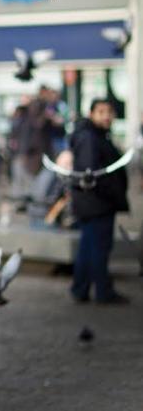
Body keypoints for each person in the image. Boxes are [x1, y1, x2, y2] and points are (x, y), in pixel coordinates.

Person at [69, 99, 130, 305]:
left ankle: (81, 288)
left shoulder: (95, 135)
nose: (106, 116)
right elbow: (90, 174)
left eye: (110, 112)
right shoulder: (90, 138)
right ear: (92, 113)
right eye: (101, 111)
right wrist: (111, 192)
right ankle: (102, 291)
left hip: (94, 203)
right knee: (98, 249)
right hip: (97, 203)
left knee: (88, 247)